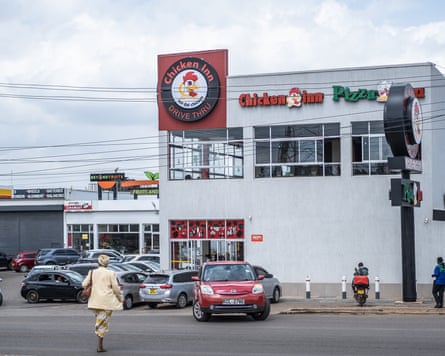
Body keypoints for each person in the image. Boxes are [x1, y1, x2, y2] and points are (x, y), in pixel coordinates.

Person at [82, 254, 123, 353]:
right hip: (107, 302)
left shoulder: (92, 272)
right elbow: (116, 288)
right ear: (107, 263)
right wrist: (120, 298)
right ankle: (99, 346)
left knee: (100, 322)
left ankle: (99, 342)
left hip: (95, 302)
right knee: (102, 324)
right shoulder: (111, 273)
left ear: (98, 262)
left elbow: (84, 284)